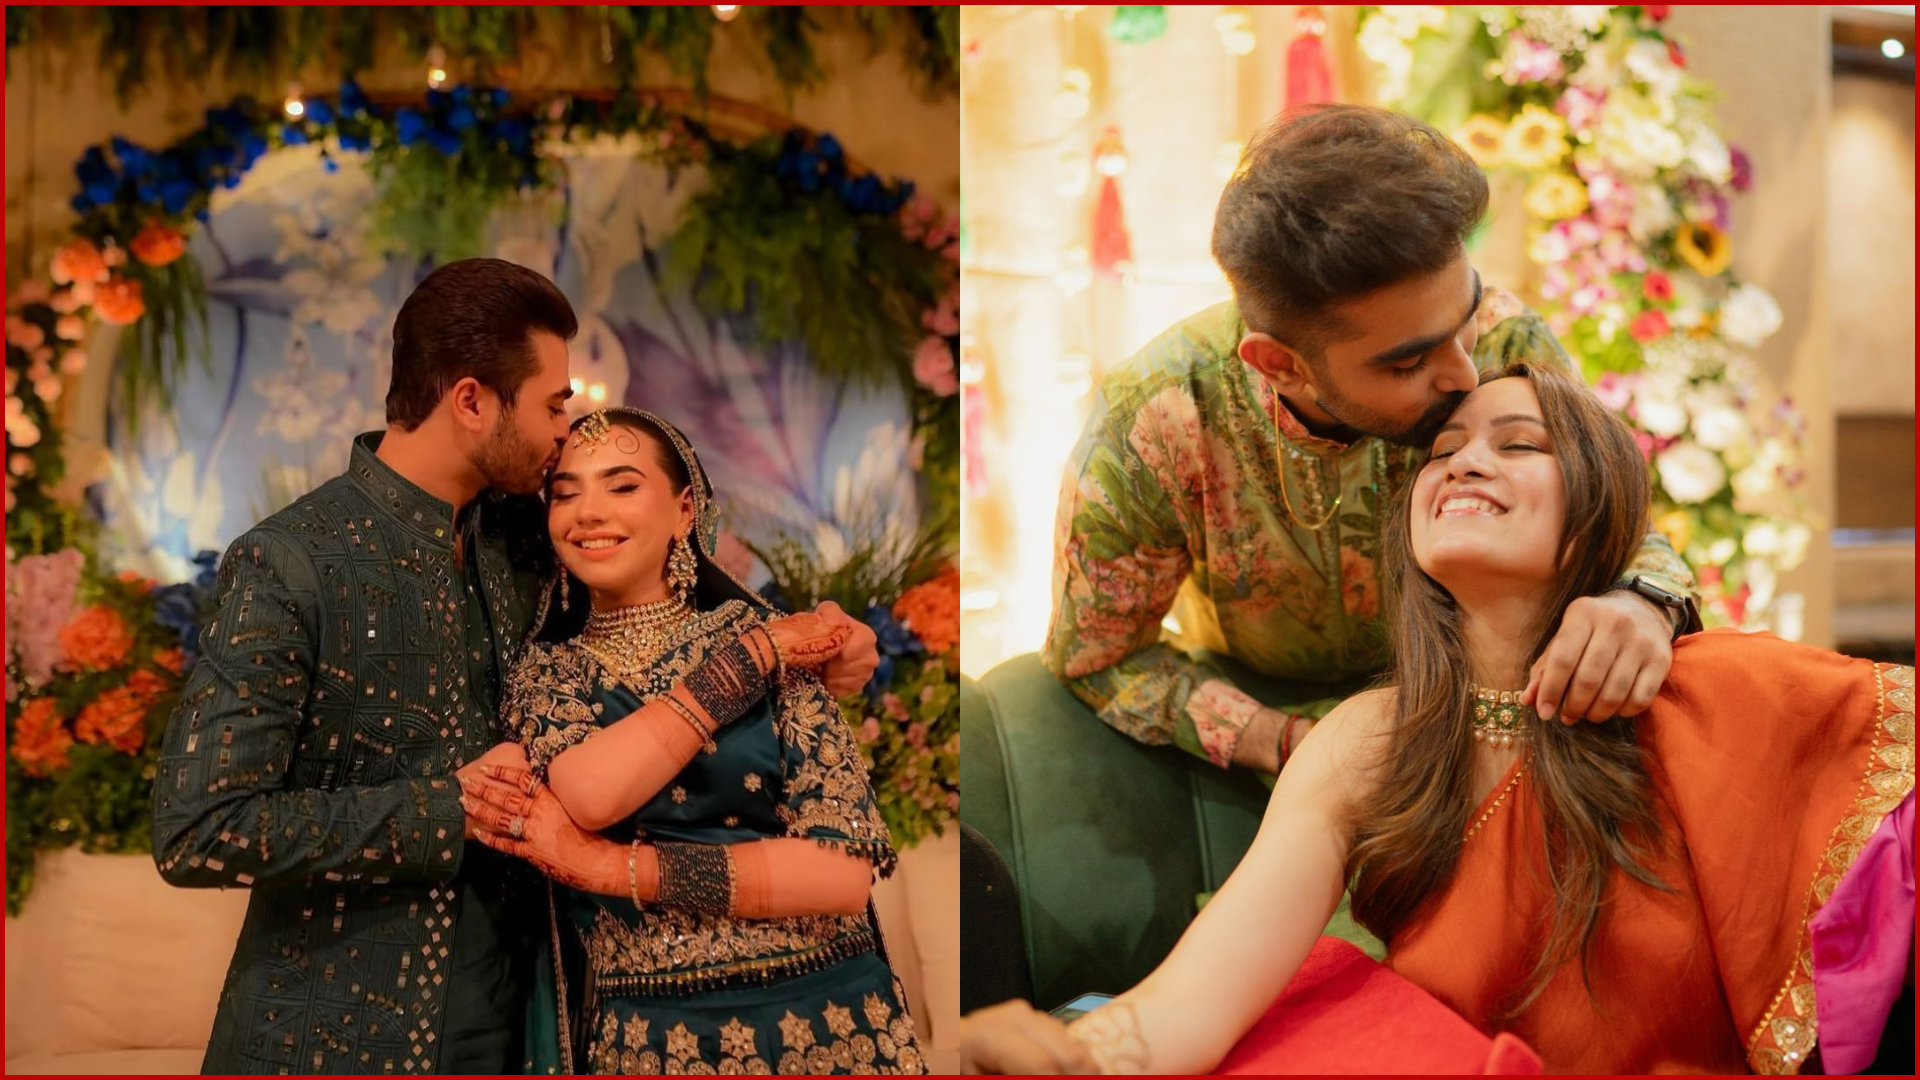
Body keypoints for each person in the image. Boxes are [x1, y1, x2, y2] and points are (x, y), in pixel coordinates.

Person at [964, 362, 1914, 1073]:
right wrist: (1071, 1057)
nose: (1463, 463)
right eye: (1443, 451)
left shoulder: (1714, 690)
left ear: (1593, 513)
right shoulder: (1369, 740)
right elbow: (1194, 1000)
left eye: (1518, 443)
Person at [152, 258, 880, 1074]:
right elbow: (200, 830)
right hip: (342, 1030)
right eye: (553, 405)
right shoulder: (293, 562)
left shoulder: (530, 536)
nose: (565, 431)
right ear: (471, 401)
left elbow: (670, 588)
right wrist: (442, 809)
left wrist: (836, 647)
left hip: (536, 1021)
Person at [1043, 105, 1697, 777]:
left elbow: (1617, 518)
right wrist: (1291, 746)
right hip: (1278, 746)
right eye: (1408, 363)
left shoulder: (1505, 339)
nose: (1467, 374)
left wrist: (1643, 601)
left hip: (1512, 718)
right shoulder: (1160, 416)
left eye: (1465, 317)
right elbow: (1100, 657)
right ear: (1279, 364)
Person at [456, 407, 924, 1074]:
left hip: (831, 1027)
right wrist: (750, 661)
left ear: (683, 512)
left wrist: (605, 870)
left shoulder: (771, 633)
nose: (588, 512)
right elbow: (592, 793)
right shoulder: (548, 674)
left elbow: (842, 873)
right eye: (566, 493)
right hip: (654, 1037)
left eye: (621, 487)